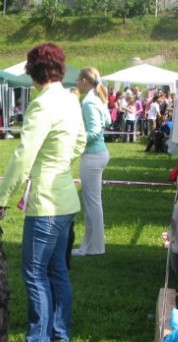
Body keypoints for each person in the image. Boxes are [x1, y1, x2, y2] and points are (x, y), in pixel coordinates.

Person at [0, 43, 86, 342]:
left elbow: (23, 156)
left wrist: (1, 198)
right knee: (57, 270)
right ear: (60, 69)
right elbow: (81, 141)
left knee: (34, 273)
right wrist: (60, 164)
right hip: (67, 199)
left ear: (32, 71)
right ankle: (59, 334)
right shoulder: (71, 99)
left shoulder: (43, 104)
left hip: (46, 202)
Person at [72, 67, 111, 257]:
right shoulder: (97, 99)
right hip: (97, 155)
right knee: (93, 204)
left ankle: (94, 247)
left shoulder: (88, 102)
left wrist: (76, 138)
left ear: (84, 81)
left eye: (78, 80)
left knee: (92, 205)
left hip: (93, 156)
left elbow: (94, 132)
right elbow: (108, 121)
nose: (76, 83)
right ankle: (90, 246)